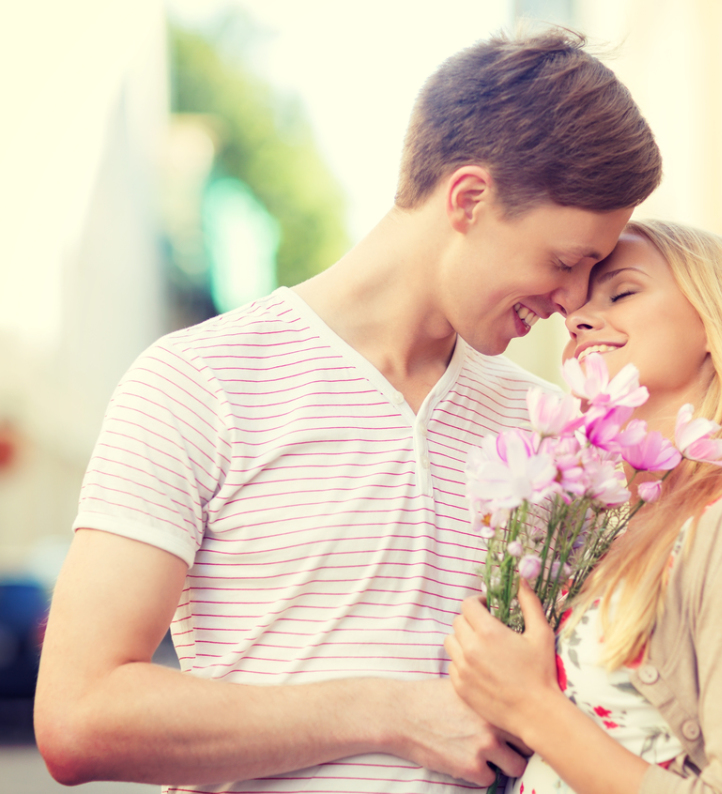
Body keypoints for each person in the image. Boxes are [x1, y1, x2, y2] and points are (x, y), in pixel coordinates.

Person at [33, 30, 661, 794]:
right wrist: (389, 712)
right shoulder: (199, 382)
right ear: (468, 199)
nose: (571, 301)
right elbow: (78, 716)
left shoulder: (551, 431)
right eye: (564, 262)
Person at [445, 220, 722, 793]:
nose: (576, 318)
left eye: (621, 292)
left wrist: (532, 708)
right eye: (577, 305)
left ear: (715, 326)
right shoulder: (588, 531)